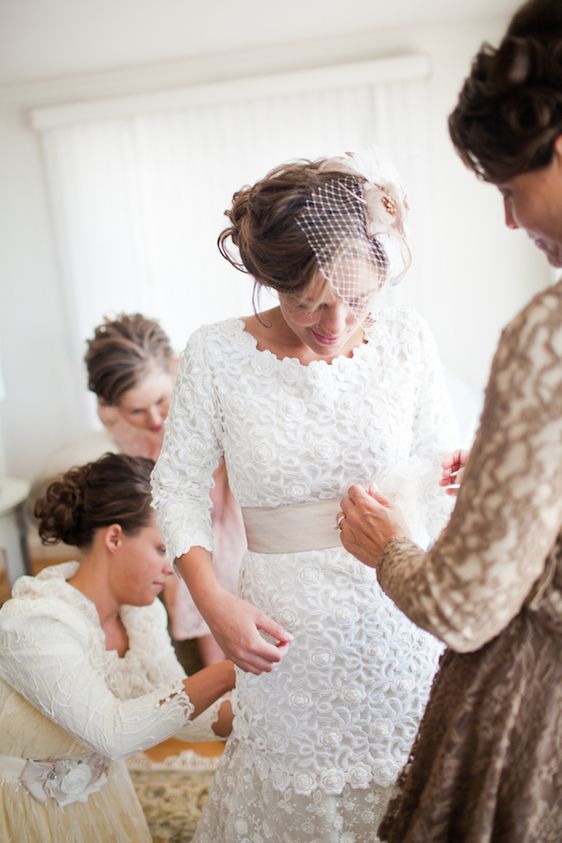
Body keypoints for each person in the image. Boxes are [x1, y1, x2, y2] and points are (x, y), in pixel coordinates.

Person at [151, 152, 458, 841]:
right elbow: (176, 485)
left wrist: (455, 475)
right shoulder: (215, 354)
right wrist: (215, 602)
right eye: (306, 302)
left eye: (357, 299)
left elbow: (436, 462)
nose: (334, 321)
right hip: (281, 629)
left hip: (394, 609)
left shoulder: (409, 338)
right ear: (267, 281)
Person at [339, 2, 562, 839]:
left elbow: (464, 605)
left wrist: (387, 544)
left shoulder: (550, 331)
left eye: (512, 189)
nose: (510, 219)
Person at [0, 452, 235, 843]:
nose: (173, 568)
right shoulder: (35, 624)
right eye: (162, 549)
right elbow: (112, 734)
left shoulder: (139, 615)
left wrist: (269, 715)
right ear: (114, 537)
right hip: (24, 813)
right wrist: (229, 669)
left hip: (102, 798)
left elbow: (180, 711)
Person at [85, 313, 246, 666]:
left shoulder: (198, 379)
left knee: (223, 557)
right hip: (168, 501)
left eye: (160, 402)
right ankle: (217, 677)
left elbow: (220, 457)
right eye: (137, 411)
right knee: (184, 569)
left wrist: (210, 511)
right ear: (112, 407)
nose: (155, 420)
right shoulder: (112, 415)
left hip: (221, 493)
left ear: (171, 374)